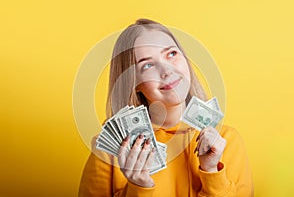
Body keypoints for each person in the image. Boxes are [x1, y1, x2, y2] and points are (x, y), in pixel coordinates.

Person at [78, 18, 253, 196]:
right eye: (148, 65)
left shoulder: (226, 142)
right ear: (133, 83)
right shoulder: (112, 151)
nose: (167, 71)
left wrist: (212, 171)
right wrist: (139, 188)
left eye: (171, 54)